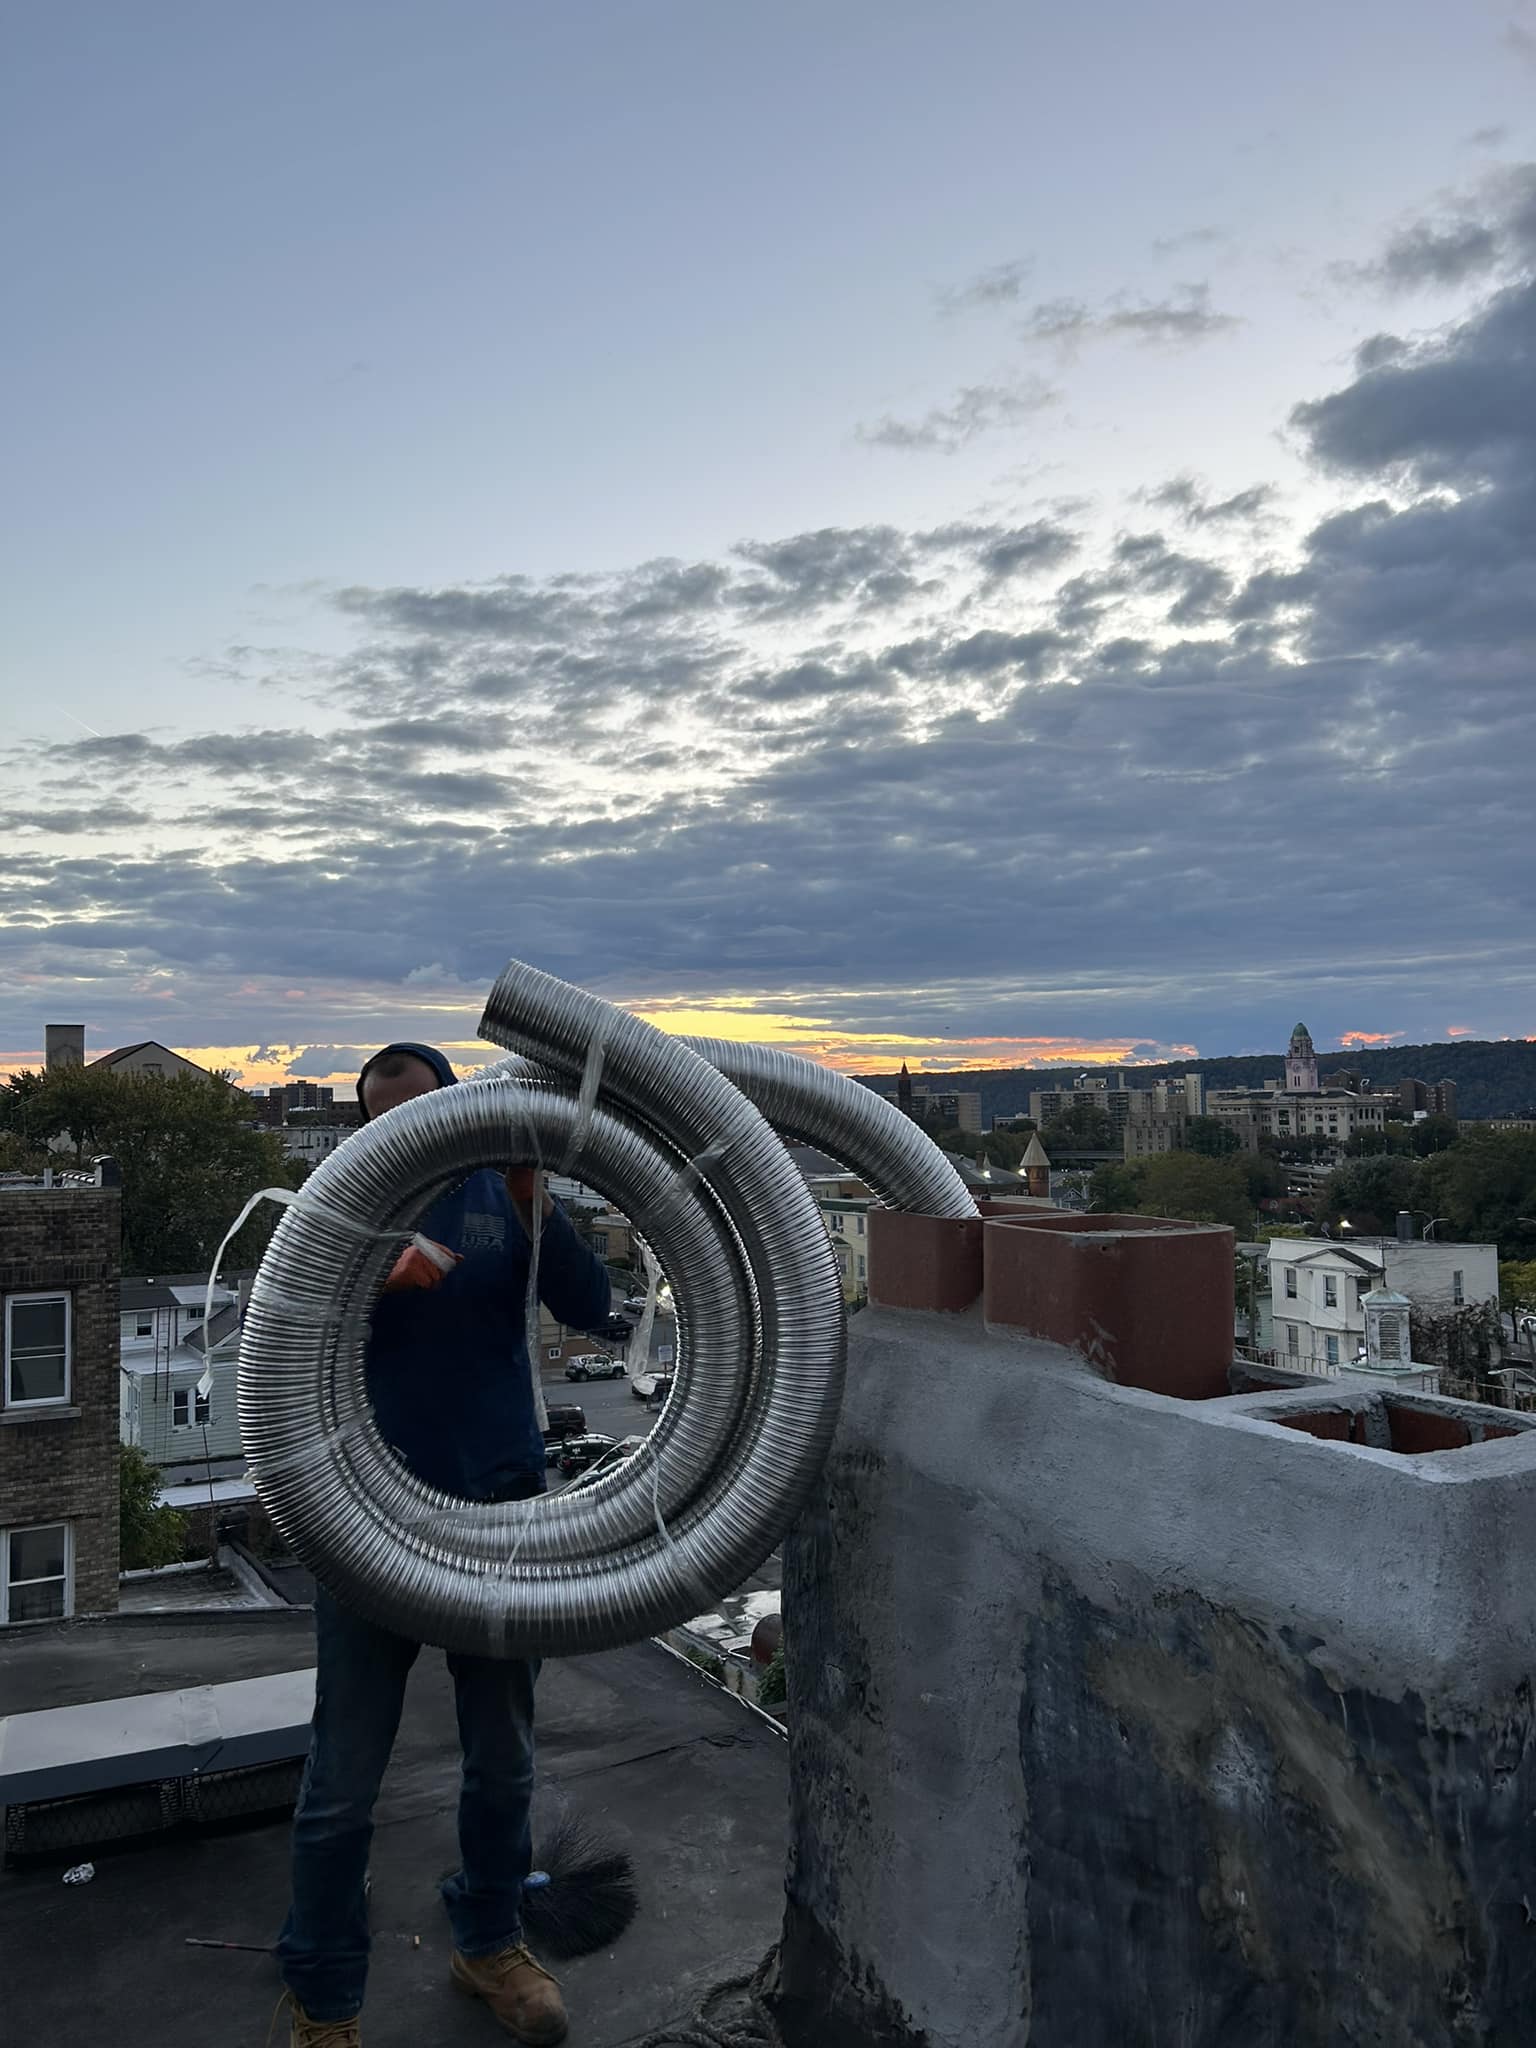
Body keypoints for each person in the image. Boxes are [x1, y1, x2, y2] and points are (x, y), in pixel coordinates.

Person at [275, 1043, 613, 2047]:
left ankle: (490, 1942)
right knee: (342, 1784)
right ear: (363, 1127)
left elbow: (592, 1308)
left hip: (501, 1505)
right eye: (383, 1117)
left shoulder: (502, 1190)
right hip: (365, 1518)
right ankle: (324, 1998)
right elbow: (268, 1325)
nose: (404, 1130)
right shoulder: (341, 1209)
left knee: (503, 1759)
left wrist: (538, 1202)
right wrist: (368, 1276)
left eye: (420, 1109)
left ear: (455, 1109)